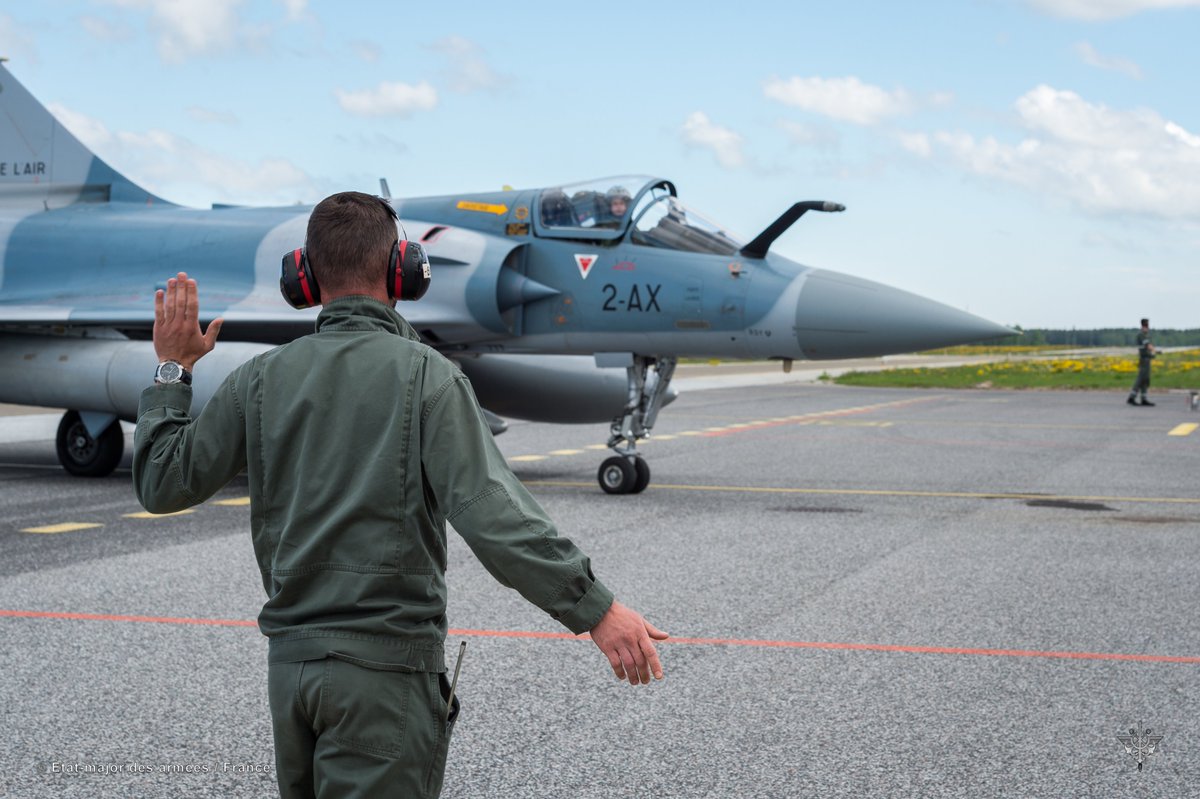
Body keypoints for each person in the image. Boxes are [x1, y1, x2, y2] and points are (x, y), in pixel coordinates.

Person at [133, 191, 667, 798]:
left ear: (302, 276)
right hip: (384, 678)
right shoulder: (427, 376)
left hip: (292, 677)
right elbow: (492, 514)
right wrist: (594, 608)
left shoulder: (259, 377)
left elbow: (161, 482)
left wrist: (173, 369)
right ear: (405, 270)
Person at [1127, 317, 1156, 406]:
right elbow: (1148, 345)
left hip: (1147, 359)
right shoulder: (1142, 335)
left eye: (1147, 325)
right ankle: (1131, 397)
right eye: (1146, 325)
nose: (1147, 327)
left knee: (1145, 380)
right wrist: (1154, 350)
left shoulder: (1146, 335)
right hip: (1144, 360)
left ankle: (1144, 398)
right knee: (1140, 379)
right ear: (1143, 326)